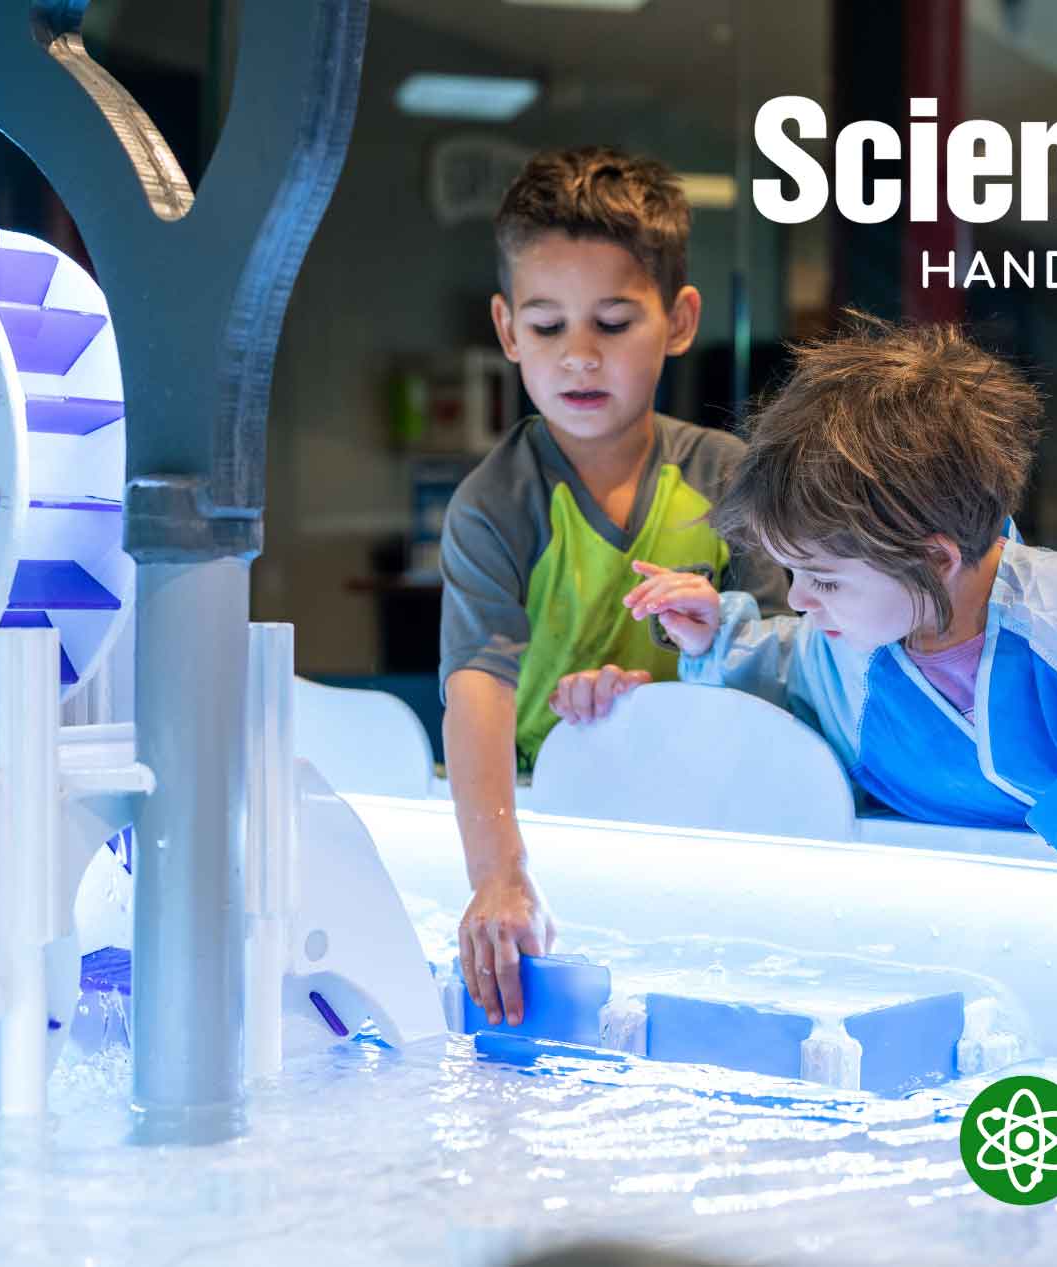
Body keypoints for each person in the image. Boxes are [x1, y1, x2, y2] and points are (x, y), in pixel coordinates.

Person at [558, 315, 1057, 833]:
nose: (801, 599)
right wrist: (718, 640)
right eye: (792, 573)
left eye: (824, 579)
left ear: (936, 556)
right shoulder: (849, 646)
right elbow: (787, 676)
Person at [440, 147, 788, 1025]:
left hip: (703, 822)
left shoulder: (731, 482)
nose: (580, 357)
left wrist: (677, 687)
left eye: (614, 322)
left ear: (677, 321)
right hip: (545, 823)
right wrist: (499, 876)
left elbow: (800, 664)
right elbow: (477, 682)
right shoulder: (498, 502)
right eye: (549, 327)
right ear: (508, 329)